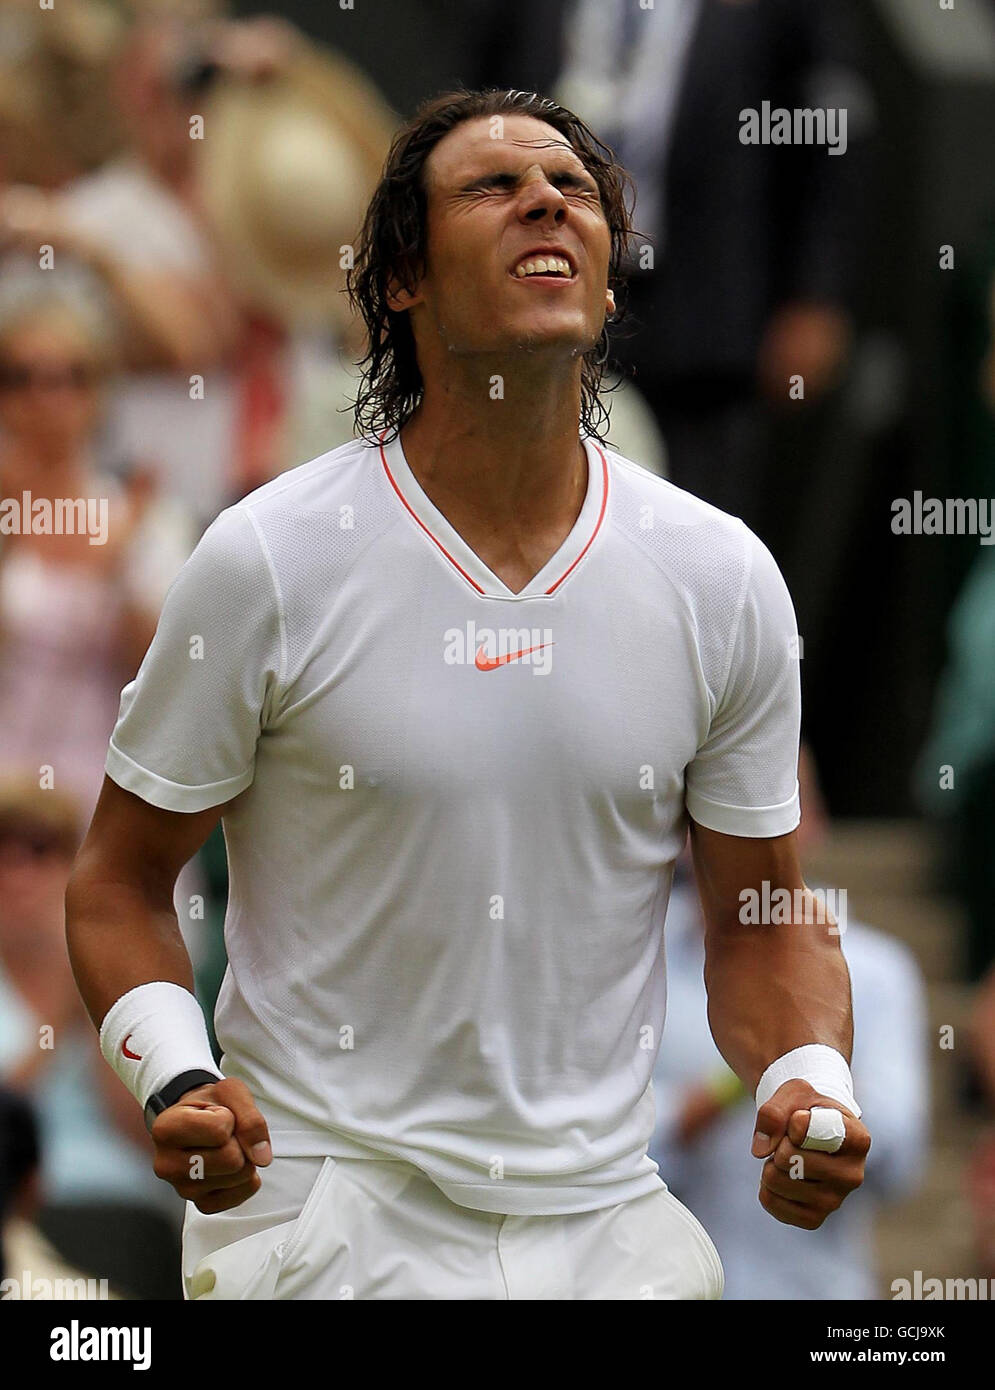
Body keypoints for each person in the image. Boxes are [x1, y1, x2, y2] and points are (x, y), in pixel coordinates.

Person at [66, 87, 869, 1302]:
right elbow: (120, 879)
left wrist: (807, 1074)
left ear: (604, 279)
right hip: (324, 1208)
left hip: (611, 1224)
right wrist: (177, 1077)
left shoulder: (722, 575)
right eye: (492, 187)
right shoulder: (265, 557)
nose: (547, 198)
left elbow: (759, 915)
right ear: (401, 280)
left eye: (575, 188)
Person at [651, 750, 928, 1299]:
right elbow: (589, 1139)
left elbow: (900, 1156)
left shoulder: (879, 971)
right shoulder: (639, 959)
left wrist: (818, 1087)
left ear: (814, 822)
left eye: (775, 809)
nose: (741, 829)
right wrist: (711, 1099)